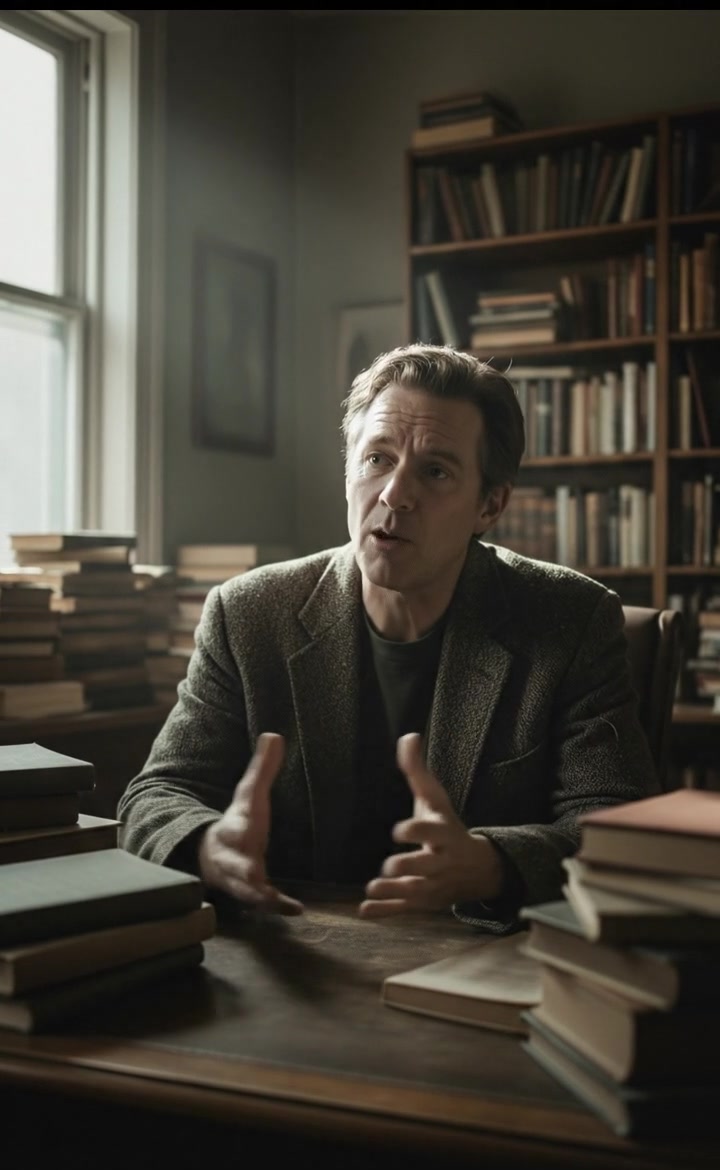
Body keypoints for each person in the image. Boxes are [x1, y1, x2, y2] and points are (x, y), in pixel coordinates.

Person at [118, 343, 659, 931]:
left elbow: (614, 825)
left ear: (490, 504)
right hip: (298, 945)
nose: (395, 494)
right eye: (377, 458)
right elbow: (156, 795)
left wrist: (491, 865)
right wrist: (207, 846)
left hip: (476, 954)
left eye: (435, 471)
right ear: (348, 470)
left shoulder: (571, 621)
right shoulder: (248, 614)